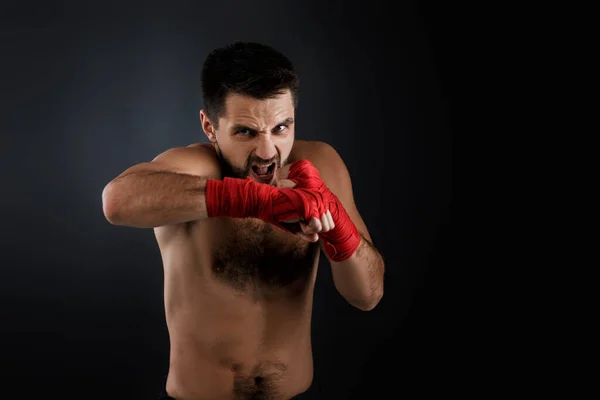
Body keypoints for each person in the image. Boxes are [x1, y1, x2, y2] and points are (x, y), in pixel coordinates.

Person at [102, 41, 385, 400]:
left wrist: (337, 225)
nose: (267, 152)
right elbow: (116, 201)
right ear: (209, 126)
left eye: (281, 128)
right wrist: (257, 201)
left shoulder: (320, 167)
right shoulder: (197, 169)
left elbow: (368, 296)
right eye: (246, 132)